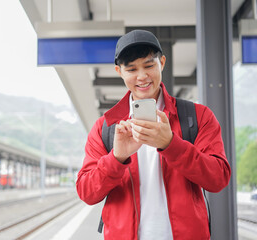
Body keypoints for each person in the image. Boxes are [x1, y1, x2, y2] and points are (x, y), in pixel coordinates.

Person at [76, 30, 231, 240]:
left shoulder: (197, 116)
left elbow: (218, 178)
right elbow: (87, 192)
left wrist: (171, 145)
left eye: (149, 66)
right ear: (119, 71)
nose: (142, 76)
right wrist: (116, 158)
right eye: (131, 69)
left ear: (162, 63)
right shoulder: (105, 127)